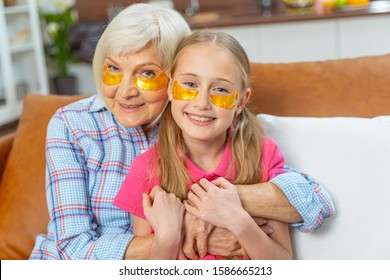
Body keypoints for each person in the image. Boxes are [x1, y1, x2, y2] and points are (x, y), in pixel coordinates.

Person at [30, 3, 333, 260]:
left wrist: (226, 205)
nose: (125, 91)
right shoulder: (71, 124)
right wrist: (185, 232)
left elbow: (314, 202)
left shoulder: (199, 122)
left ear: (174, 76)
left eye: (147, 73)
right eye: (113, 69)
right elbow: (72, 248)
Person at [114, 30, 293, 259]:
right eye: (190, 84)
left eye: (220, 89)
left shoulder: (263, 154)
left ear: (240, 101)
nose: (201, 103)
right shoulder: (146, 169)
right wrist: (168, 237)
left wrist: (238, 220)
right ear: (170, 88)